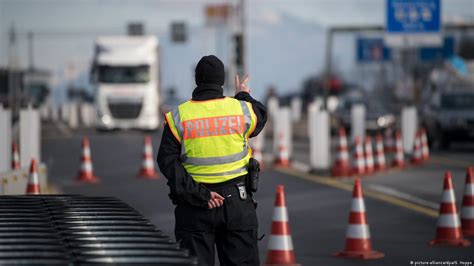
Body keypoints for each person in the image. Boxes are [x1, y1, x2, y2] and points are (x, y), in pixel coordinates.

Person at [157, 55, 267, 266]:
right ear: (221, 81)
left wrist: (200, 195)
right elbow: (261, 114)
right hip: (237, 204)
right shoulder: (241, 109)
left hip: (195, 207)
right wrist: (243, 94)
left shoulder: (179, 117)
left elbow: (167, 162)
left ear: (197, 80)